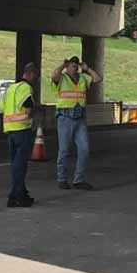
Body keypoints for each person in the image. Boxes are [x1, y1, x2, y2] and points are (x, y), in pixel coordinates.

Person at [48, 55, 102, 190]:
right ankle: (62, 179)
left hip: (80, 118)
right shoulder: (62, 78)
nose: (75, 68)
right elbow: (53, 75)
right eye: (72, 65)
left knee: (84, 150)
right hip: (65, 118)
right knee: (64, 150)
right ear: (67, 67)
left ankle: (79, 180)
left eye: (76, 66)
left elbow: (98, 79)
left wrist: (87, 69)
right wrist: (62, 64)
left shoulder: (82, 78)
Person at [1, 62, 38, 208]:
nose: (36, 79)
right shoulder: (26, 88)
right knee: (20, 166)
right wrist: (33, 114)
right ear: (30, 74)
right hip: (22, 130)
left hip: (10, 131)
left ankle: (22, 193)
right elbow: (28, 110)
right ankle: (15, 196)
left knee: (15, 165)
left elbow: (1, 108)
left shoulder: (10, 88)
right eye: (35, 75)